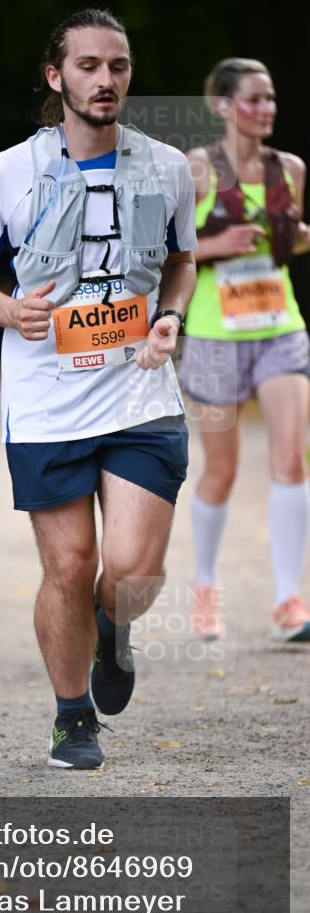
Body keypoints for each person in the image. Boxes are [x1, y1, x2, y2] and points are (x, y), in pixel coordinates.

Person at [0, 9, 198, 770]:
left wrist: (168, 317)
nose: (105, 80)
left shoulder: (166, 168)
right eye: (88, 66)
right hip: (46, 397)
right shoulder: (7, 173)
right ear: (55, 76)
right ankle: (71, 719)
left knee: (130, 573)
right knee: (66, 565)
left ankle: (111, 629)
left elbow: (183, 259)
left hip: (139, 392)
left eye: (117, 66)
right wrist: (8, 308)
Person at [179, 59, 310, 642]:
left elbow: (290, 239)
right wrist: (217, 244)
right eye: (254, 100)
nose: (267, 109)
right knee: (222, 472)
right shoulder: (199, 170)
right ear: (224, 106)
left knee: (291, 460)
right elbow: (168, 253)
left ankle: (290, 601)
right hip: (212, 338)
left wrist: (298, 239)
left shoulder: (292, 169)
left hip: (280, 329)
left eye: (271, 99)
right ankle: (205, 586)